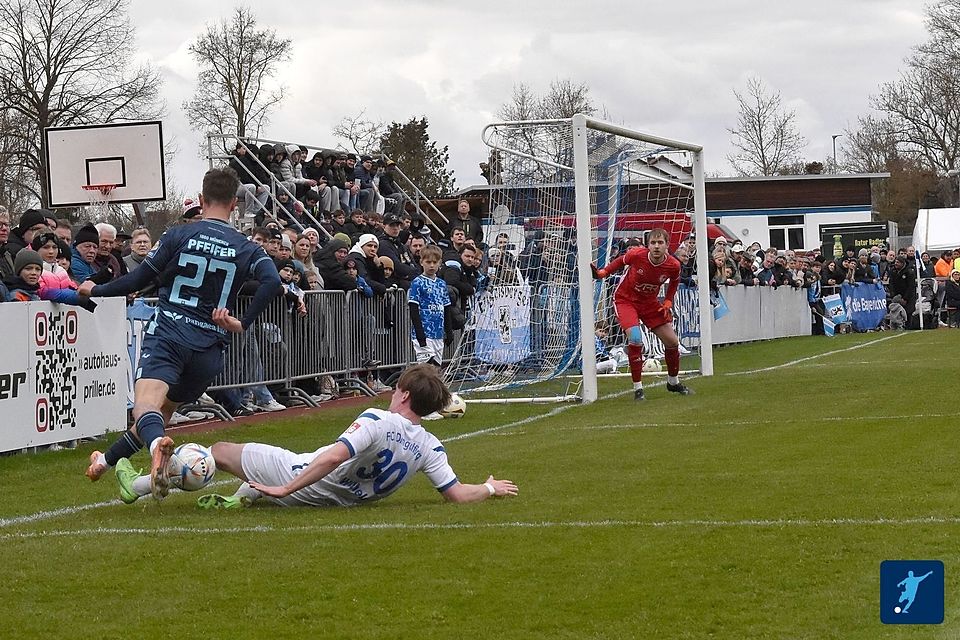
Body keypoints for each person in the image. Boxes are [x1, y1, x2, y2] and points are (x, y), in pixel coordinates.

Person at [80, 168, 282, 500]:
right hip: (209, 350)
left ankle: (159, 447)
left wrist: (95, 288)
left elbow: (135, 280)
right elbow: (273, 282)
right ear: (234, 203)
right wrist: (243, 322)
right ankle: (107, 463)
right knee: (161, 414)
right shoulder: (246, 247)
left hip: (171, 333)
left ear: (201, 200)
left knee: (145, 407)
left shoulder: (179, 235)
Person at [121, 364, 518, 509]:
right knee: (279, 463)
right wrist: (488, 488)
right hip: (344, 499)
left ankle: (135, 485)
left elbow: (331, 458)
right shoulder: (431, 445)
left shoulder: (379, 419)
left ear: (404, 395)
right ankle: (243, 497)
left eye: (396, 388)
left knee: (216, 452)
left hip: (304, 482)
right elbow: (455, 494)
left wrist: (286, 489)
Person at [590, 228, 693, 400]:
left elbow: (675, 281)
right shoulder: (637, 255)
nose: (657, 246)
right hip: (625, 300)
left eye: (660, 243)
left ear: (668, 245)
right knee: (636, 338)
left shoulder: (673, 265)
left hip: (649, 303)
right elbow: (620, 262)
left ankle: (673, 383)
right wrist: (603, 273)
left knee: (672, 341)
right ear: (648, 245)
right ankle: (638, 388)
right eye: (653, 243)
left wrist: (668, 301)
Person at [408, 245, 452, 367]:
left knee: (437, 368)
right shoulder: (417, 282)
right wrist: (420, 334)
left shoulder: (441, 284)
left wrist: (448, 331)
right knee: (426, 367)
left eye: (435, 262)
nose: (431, 265)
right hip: (425, 332)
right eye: (428, 262)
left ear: (440, 263)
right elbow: (413, 309)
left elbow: (446, 308)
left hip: (438, 333)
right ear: (421, 262)